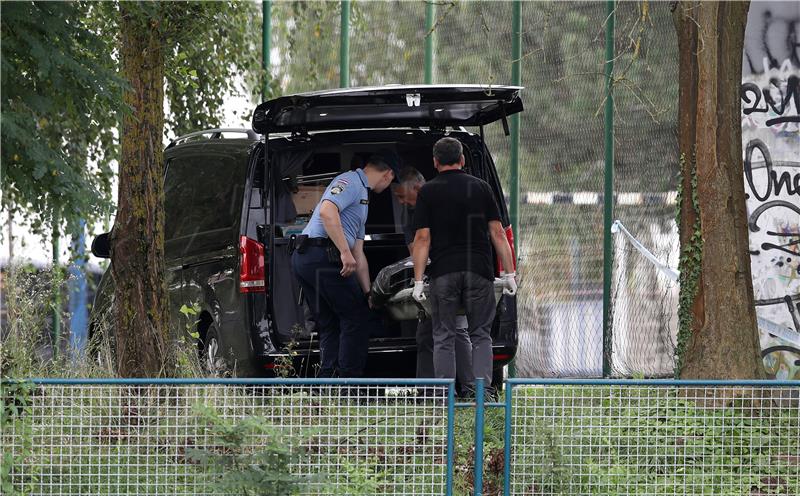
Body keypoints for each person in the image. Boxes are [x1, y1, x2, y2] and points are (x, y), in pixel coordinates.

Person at [411, 138, 516, 397]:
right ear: (463, 159)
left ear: (435, 162)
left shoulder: (428, 192)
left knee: (443, 334)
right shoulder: (481, 187)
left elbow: (422, 238)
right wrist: (510, 273)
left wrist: (418, 280)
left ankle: (444, 397)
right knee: (480, 334)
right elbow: (498, 233)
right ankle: (482, 394)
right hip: (479, 270)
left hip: (444, 272)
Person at [292, 153, 399, 378]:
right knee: (356, 318)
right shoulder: (350, 181)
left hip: (310, 257)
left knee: (330, 321)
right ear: (388, 174)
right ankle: (349, 382)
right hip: (321, 254)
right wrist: (343, 251)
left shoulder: (363, 198)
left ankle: (328, 382)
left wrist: (368, 292)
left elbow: (358, 254)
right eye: (392, 180)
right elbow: (327, 211)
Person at [392, 167, 473, 391]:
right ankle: (429, 390)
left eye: (402, 196)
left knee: (455, 328)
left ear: (417, 188)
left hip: (453, 271)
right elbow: (415, 248)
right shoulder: (411, 213)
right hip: (432, 275)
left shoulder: (444, 199)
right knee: (426, 333)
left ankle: (467, 389)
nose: (400, 202)